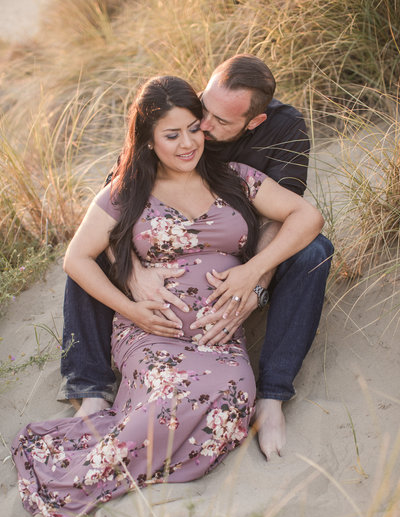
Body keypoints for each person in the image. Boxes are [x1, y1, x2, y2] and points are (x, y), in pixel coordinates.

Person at [12, 75, 324, 517]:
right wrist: (131, 308)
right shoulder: (127, 190)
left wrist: (252, 274)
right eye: (171, 135)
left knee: (233, 397)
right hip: (151, 334)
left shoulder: (234, 176)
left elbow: (308, 218)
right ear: (148, 140)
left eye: (194, 129)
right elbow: (76, 258)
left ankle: (112, 481)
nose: (188, 144)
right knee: (175, 397)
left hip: (218, 337)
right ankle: (80, 490)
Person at [59, 54, 334, 459]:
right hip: (156, 279)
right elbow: (112, 208)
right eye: (202, 109)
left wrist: (253, 282)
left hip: (242, 248)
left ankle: (272, 395)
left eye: (215, 123)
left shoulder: (279, 134)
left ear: (252, 122)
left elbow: (290, 217)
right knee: (96, 255)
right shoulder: (177, 112)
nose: (200, 128)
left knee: (315, 251)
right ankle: (90, 387)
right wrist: (131, 272)